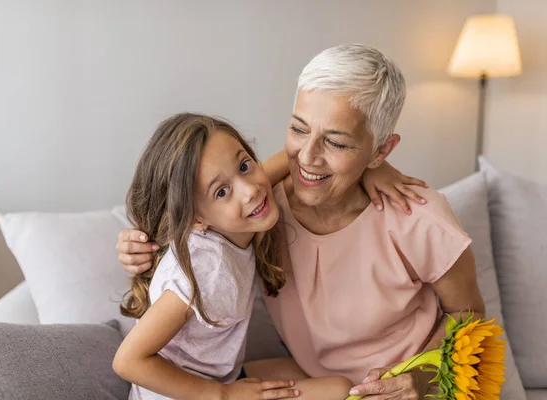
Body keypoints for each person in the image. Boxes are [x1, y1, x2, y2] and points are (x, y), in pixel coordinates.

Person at [116, 44, 485, 400]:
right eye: (299, 129)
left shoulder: (418, 219)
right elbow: (200, 205)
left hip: (400, 387)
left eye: (336, 143)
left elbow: (469, 315)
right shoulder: (262, 209)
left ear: (381, 150)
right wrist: (143, 244)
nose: (307, 159)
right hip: (314, 379)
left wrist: (419, 378)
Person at [113, 113, 360, 400]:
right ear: (196, 220)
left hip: (220, 378)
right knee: (340, 389)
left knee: (313, 369)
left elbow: (295, 160)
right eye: (222, 192)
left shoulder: (236, 212)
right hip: (193, 393)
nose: (251, 189)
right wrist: (224, 394)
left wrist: (372, 167)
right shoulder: (207, 269)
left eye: (244, 165)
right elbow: (128, 361)